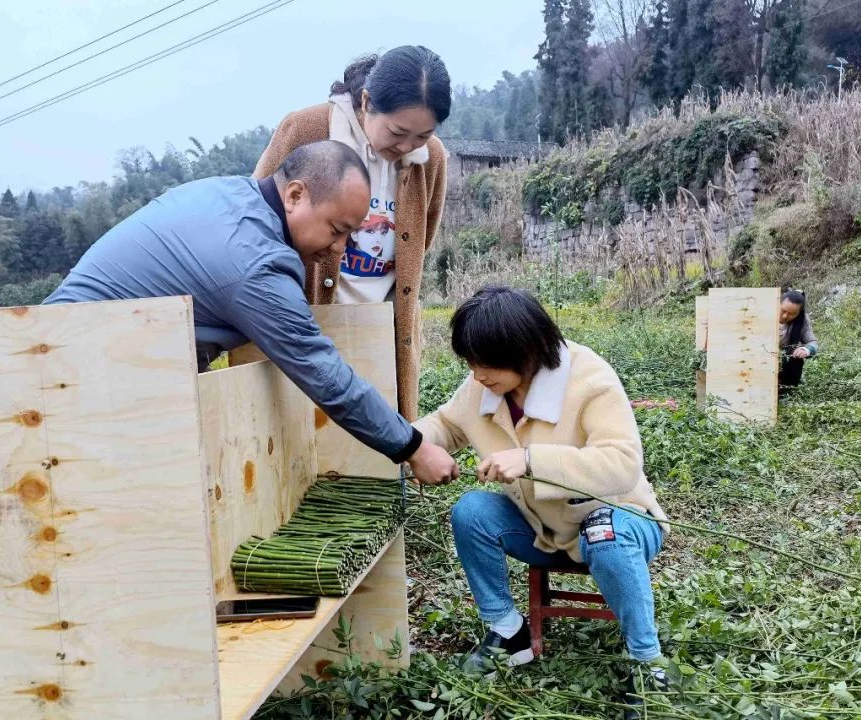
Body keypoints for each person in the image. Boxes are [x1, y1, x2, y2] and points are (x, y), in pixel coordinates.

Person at [44, 140, 458, 485]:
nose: (339, 248)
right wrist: (412, 448)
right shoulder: (255, 264)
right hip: (68, 376)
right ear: (295, 195)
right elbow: (323, 372)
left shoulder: (229, 194)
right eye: (337, 230)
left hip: (70, 355)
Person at [413, 286, 671, 716]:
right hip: (543, 528)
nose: (477, 375)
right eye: (470, 363)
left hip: (622, 521)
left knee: (605, 531)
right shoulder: (484, 385)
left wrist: (531, 459)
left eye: (486, 364)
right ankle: (508, 631)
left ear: (527, 351)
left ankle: (648, 664)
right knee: (472, 511)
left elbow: (622, 464)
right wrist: (411, 446)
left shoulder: (590, 379)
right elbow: (445, 425)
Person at [254, 46, 451, 421]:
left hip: (381, 333)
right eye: (397, 132)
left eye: (422, 136)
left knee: (380, 449)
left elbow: (417, 247)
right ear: (366, 101)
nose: (407, 147)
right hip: (302, 325)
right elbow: (255, 220)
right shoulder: (306, 130)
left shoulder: (432, 159)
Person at [779, 289, 819, 392]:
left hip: (782, 360)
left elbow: (812, 342)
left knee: (795, 357)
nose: (785, 316)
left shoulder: (802, 320)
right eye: (783, 311)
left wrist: (806, 350)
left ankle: (786, 390)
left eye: (791, 314)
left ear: (798, 313)